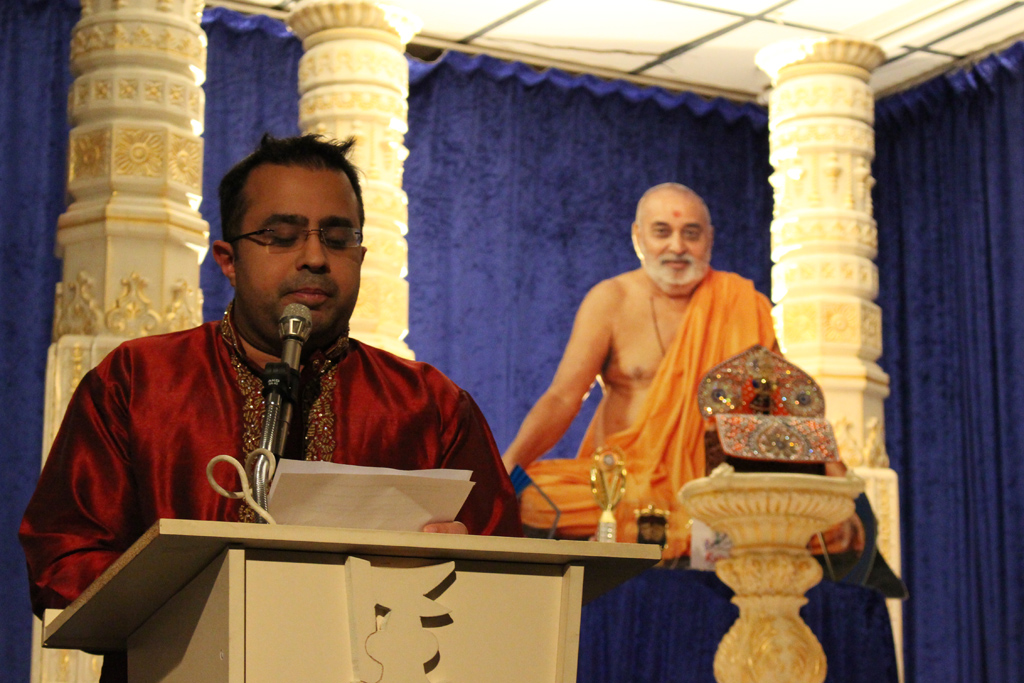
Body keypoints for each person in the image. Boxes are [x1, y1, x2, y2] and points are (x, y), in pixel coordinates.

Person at [20, 134, 522, 680]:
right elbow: (62, 563)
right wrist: (193, 585)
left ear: (360, 256)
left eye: (338, 239)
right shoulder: (139, 382)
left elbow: (513, 582)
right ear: (228, 260)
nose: (315, 258)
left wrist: (467, 568)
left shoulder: (428, 405)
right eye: (281, 237)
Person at [502, 183, 776, 559]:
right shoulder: (612, 300)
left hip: (712, 486)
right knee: (534, 497)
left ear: (709, 240)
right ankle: (681, 530)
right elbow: (564, 397)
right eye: (662, 232)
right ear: (638, 237)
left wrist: (833, 476)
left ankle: (677, 527)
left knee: (811, 517)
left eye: (691, 234)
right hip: (623, 482)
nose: (677, 246)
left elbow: (782, 406)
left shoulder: (743, 304)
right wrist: (506, 466)